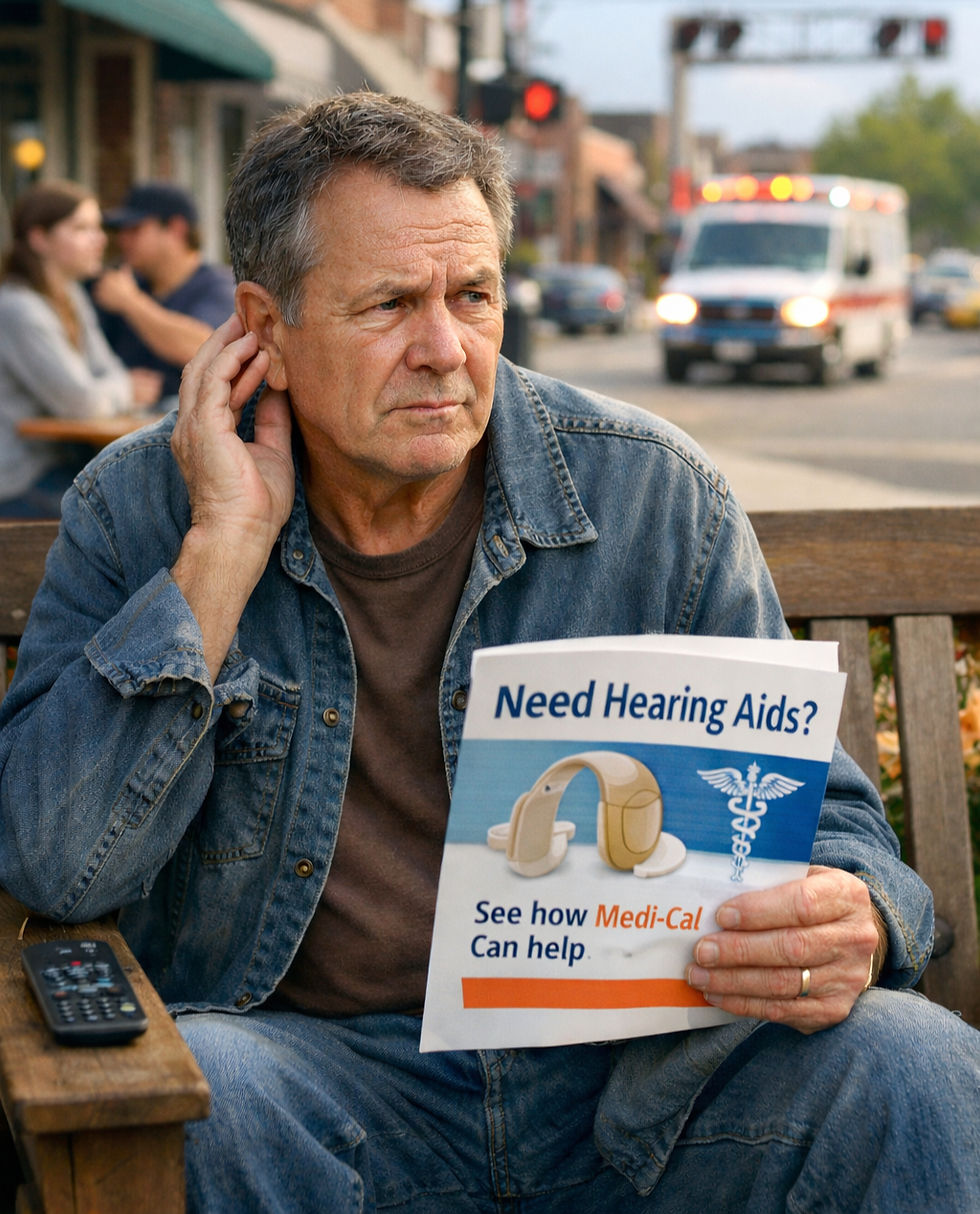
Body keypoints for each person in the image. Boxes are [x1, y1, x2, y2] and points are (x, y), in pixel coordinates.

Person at [0, 94, 976, 1214]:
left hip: (642, 1099)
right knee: (208, 1084)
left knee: (910, 1062)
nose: (444, 350)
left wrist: (852, 910)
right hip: (322, 1094)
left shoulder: (651, 495)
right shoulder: (140, 511)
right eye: (390, 305)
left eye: (473, 296)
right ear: (263, 325)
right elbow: (54, 861)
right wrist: (222, 549)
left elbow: (841, 832)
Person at [0, 179, 160, 518]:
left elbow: (106, 370)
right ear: (38, 238)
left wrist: (115, 387)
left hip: (62, 465)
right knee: (135, 514)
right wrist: (127, 388)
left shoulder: (70, 295)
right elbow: (82, 402)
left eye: (98, 228)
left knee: (154, 496)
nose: (100, 239)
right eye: (81, 228)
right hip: (19, 479)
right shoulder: (18, 309)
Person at [92, 181, 235, 402]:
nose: (123, 240)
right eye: (120, 231)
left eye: (134, 229)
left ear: (176, 228)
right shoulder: (124, 285)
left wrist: (130, 303)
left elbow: (205, 349)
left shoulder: (218, 285)